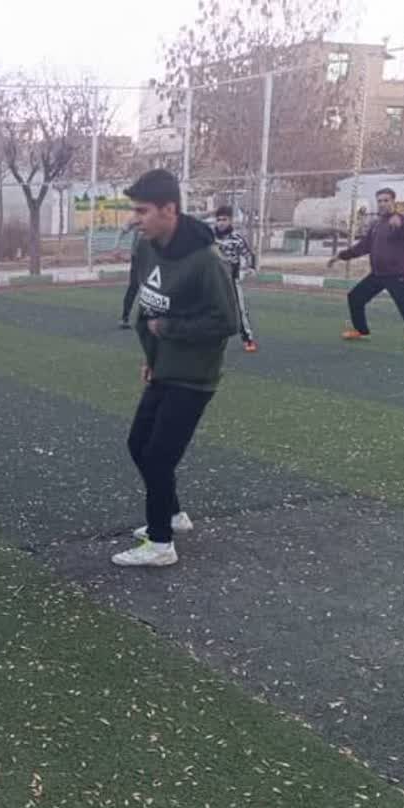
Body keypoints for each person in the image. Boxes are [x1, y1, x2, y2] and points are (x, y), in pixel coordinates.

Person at [113, 169, 238, 569]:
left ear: (169, 210)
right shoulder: (147, 247)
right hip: (163, 366)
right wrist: (152, 356)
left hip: (194, 375)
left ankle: (160, 543)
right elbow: (146, 307)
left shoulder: (206, 260)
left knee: (158, 456)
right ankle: (173, 515)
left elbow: (227, 321)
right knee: (139, 444)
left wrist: (170, 329)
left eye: (143, 211)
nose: (135, 219)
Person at [327, 188, 404, 350]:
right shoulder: (377, 224)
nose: (382, 204)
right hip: (378, 274)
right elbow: (363, 246)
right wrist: (340, 256)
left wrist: (401, 226)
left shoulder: (402, 219)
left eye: (386, 200)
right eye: (380, 201)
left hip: (397, 274)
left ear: (393, 201)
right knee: (355, 297)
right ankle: (361, 330)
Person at [212, 205, 258, 352]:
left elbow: (248, 254)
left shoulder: (237, 239)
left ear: (230, 220)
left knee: (239, 309)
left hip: (231, 279)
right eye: (218, 220)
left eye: (224, 219)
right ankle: (211, 337)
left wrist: (251, 268)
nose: (221, 223)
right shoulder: (210, 237)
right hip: (213, 279)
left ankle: (248, 339)